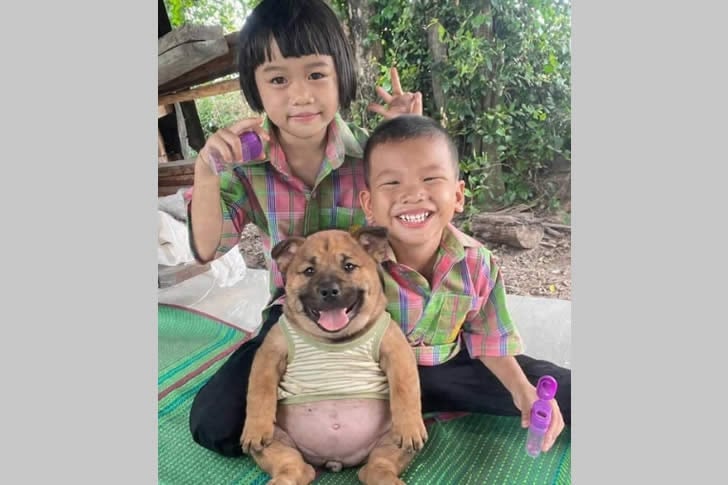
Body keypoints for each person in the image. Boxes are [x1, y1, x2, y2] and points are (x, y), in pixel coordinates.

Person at [186, 0, 421, 457]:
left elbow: (421, 223)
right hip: (293, 319)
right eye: (278, 79)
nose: (300, 95)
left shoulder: (371, 156)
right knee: (214, 424)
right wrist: (206, 172)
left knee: (474, 377)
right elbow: (207, 247)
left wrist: (405, 142)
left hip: (376, 319)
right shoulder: (246, 169)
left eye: (316, 74)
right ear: (254, 88)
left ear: (341, 77)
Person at [358, 115, 571, 453]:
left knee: (558, 388)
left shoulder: (475, 262)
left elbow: (489, 341)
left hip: (452, 372)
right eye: (393, 182)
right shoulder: (356, 264)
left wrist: (522, 391)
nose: (413, 194)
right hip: (377, 381)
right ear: (369, 204)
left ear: (458, 195)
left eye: (430, 178)